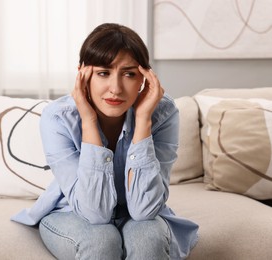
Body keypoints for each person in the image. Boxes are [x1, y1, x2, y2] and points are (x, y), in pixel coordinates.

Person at [12, 23, 198, 260]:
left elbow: (144, 210)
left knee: (148, 237)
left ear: (144, 78)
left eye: (129, 74)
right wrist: (88, 122)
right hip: (72, 212)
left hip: (135, 214)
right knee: (101, 240)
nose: (116, 88)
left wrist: (142, 121)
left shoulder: (163, 113)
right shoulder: (58, 118)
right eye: (103, 73)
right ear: (83, 74)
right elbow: (94, 214)